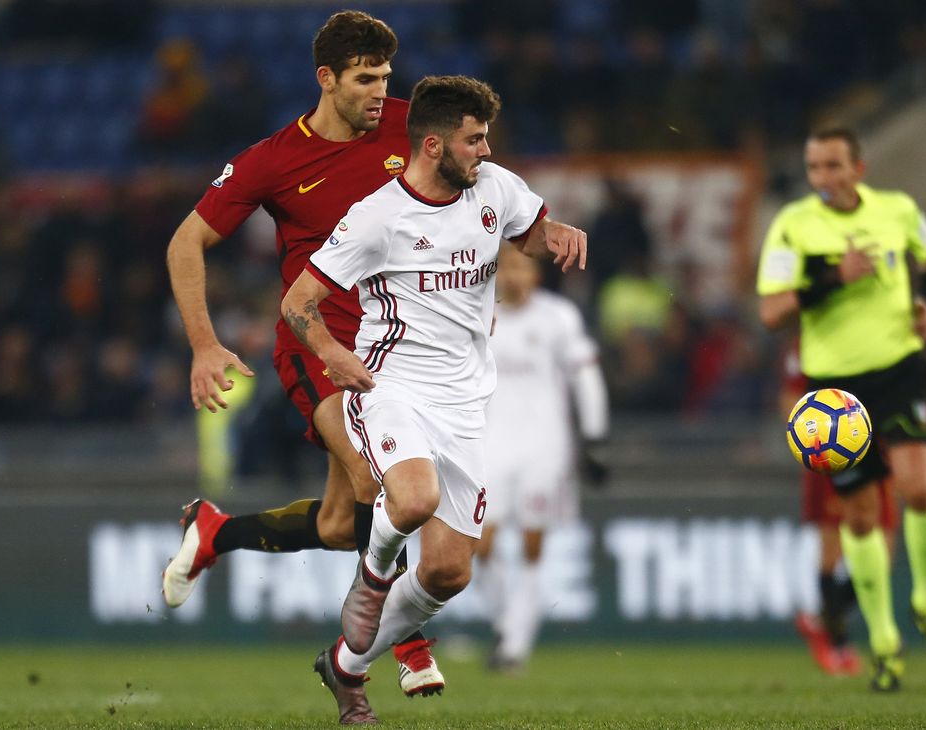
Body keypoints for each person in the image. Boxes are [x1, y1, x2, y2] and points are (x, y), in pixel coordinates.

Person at [280, 75, 587, 724]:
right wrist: (335, 356)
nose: (485, 150)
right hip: (389, 386)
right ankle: (373, 575)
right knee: (412, 500)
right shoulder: (376, 218)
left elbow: (529, 233)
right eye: (474, 140)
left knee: (450, 574)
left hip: (465, 404)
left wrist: (556, 234)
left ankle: (345, 666)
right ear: (432, 145)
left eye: (487, 138)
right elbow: (297, 303)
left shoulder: (495, 189)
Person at [161, 10, 443, 698]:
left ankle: (216, 531)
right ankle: (403, 645)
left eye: (386, 78)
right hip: (313, 347)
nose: (381, 92)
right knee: (377, 482)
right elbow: (185, 243)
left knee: (340, 522)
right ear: (327, 78)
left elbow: (478, 184)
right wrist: (204, 343)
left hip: (394, 352)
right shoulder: (275, 160)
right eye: (365, 79)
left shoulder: (414, 127)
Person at [757, 126, 926, 692]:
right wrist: (833, 279)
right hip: (834, 392)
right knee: (861, 518)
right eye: (814, 168)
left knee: (918, 488)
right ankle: (883, 641)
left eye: (832, 166)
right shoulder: (794, 226)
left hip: (899, 368)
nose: (822, 178)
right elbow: (773, 310)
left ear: (859, 168)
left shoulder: (898, 210)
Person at [474, 244, 609, 672]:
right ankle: (507, 624)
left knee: (533, 545)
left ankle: (514, 646)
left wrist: (594, 436)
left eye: (521, 267)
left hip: (545, 449)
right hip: (490, 444)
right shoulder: (478, 316)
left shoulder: (558, 317)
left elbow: (585, 378)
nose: (513, 276)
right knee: (480, 546)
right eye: (505, 268)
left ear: (535, 274)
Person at [779, 341, 898, 676]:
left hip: (877, 446)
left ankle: (818, 619)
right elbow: (791, 398)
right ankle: (839, 643)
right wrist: (812, 438)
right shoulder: (807, 342)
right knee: (832, 550)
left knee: (884, 554)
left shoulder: (880, 329)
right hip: (831, 452)